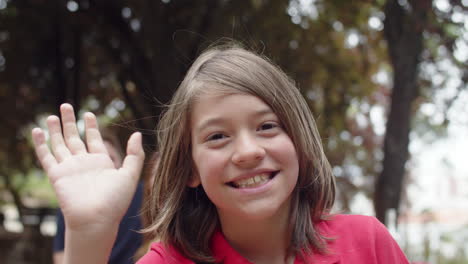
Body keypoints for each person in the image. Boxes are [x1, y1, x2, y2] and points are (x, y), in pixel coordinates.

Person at [31, 44, 410, 264]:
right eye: (217, 137)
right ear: (190, 168)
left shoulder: (367, 243)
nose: (247, 152)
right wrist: (88, 233)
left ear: (299, 142)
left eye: (266, 126)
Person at [52, 128, 144, 264]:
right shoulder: (72, 205)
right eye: (96, 163)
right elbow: (60, 255)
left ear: (122, 161)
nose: (105, 168)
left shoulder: (146, 194)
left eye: (111, 159)